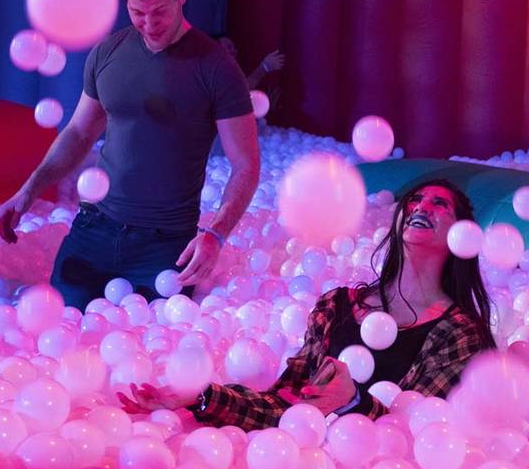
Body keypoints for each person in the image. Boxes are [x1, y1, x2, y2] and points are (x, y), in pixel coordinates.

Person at [0, 0, 260, 307]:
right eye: (137, 12)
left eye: (159, 12)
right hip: (94, 230)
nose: (149, 25)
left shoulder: (216, 68)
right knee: (58, 329)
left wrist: (215, 233)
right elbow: (78, 133)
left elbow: (246, 163)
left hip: (165, 243)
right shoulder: (108, 53)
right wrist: (29, 189)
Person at [118, 179, 496, 426]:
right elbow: (284, 405)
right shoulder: (337, 305)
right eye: (414, 199)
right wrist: (201, 396)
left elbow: (421, 430)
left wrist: (353, 403)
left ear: (461, 234)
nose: (420, 207)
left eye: (439, 204)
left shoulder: (459, 334)